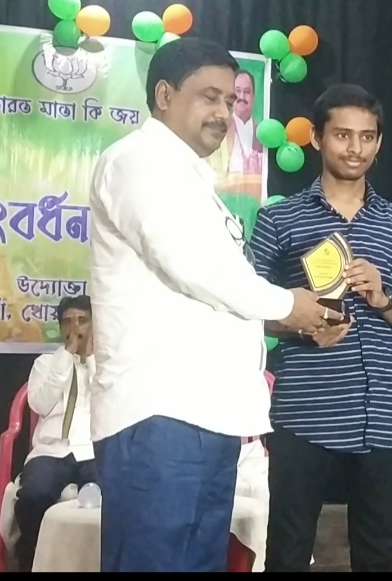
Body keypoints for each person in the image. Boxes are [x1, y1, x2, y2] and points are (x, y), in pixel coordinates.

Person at [87, 37, 337, 573]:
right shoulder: (137, 160)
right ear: (164, 95)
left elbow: (216, 296)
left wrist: (296, 322)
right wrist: (285, 305)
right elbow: (195, 264)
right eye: (209, 97)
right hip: (159, 415)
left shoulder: (195, 181)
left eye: (230, 100)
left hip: (209, 413)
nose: (224, 113)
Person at [250, 84, 392, 573]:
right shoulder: (279, 219)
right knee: (288, 552)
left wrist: (383, 298)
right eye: (343, 135)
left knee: (376, 554)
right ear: (316, 138)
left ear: (379, 143)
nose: (355, 148)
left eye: (367, 137)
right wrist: (300, 325)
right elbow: (248, 310)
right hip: (306, 413)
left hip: (381, 415)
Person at [15, 295, 97, 571]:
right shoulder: (45, 363)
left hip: (92, 449)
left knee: (111, 497)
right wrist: (66, 358)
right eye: (68, 322)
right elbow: (39, 404)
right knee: (34, 495)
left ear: (95, 326)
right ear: (60, 328)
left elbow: (108, 400)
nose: (75, 328)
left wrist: (90, 359)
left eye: (82, 321)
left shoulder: (107, 364)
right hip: (51, 450)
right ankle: (31, 558)